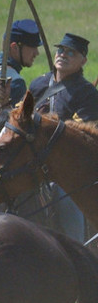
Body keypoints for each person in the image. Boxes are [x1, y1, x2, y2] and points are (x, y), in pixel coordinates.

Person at [25, 32, 96, 240]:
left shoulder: (87, 94)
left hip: (65, 169)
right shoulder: (39, 84)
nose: (63, 55)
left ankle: (78, 250)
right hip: (31, 160)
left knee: (66, 204)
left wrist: (45, 122)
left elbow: (78, 136)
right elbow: (21, 116)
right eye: (61, 50)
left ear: (82, 60)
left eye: (70, 52)